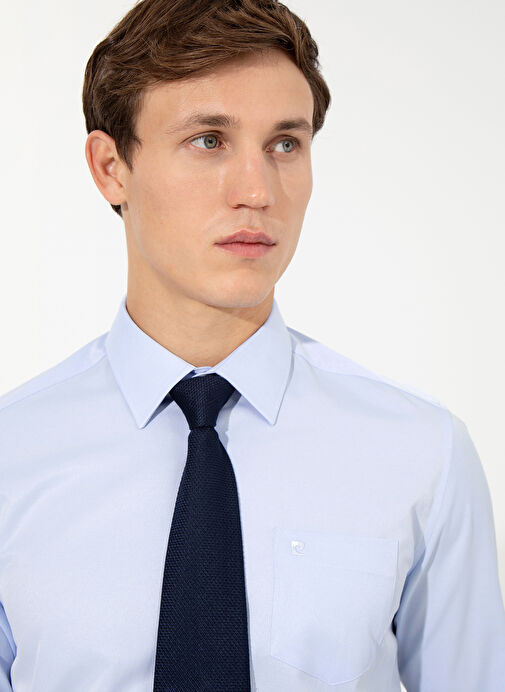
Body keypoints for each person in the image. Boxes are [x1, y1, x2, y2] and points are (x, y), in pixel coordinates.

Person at [0, 0, 504, 689]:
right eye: (209, 140)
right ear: (111, 167)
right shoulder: (12, 457)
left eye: (285, 144)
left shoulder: (422, 454)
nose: (257, 190)